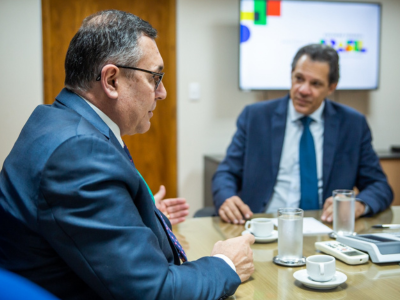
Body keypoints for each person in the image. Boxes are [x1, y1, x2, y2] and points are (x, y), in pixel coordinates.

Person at [0, 10, 254, 300]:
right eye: (155, 77)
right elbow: (152, 292)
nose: (163, 92)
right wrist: (226, 263)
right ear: (111, 80)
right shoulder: (78, 153)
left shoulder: (53, 120)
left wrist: (136, 213)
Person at [213, 44, 393, 225]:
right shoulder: (256, 117)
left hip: (325, 228)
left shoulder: (352, 124)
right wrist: (227, 198)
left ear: (331, 87)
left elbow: (380, 186)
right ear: (291, 75)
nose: (303, 90)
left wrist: (359, 204)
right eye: (299, 79)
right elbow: (226, 173)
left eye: (315, 84)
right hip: (261, 225)